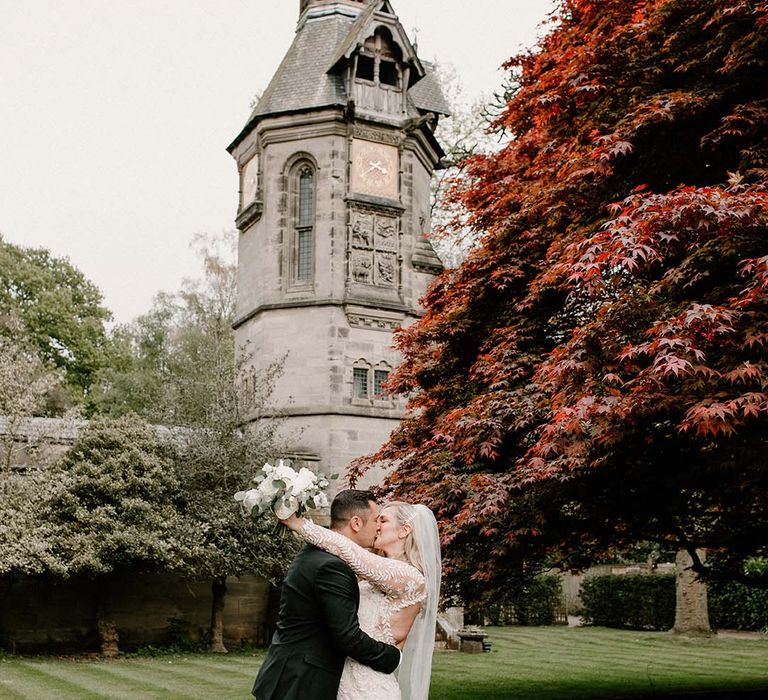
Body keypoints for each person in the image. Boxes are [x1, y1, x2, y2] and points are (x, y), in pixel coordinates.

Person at [280, 498, 442, 700]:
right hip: (342, 680)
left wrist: (298, 523)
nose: (376, 525)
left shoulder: (410, 577)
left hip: (370, 686)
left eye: (383, 520)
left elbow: (347, 550)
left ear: (404, 530)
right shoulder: (373, 574)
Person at [252, 490, 401, 700]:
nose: (379, 526)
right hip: (301, 683)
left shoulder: (314, 552)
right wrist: (392, 657)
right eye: (377, 520)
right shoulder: (333, 567)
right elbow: (347, 636)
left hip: (289, 674)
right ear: (356, 523)